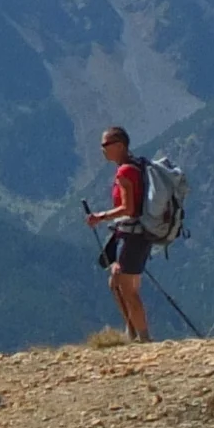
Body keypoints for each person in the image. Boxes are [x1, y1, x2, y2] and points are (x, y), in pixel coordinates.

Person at [82, 125, 153, 341]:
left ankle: (144, 338)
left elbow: (128, 208)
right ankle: (132, 332)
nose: (102, 149)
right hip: (136, 234)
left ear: (120, 145)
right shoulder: (135, 165)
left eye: (106, 144)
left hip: (133, 235)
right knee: (116, 283)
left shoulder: (124, 172)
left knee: (127, 288)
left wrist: (100, 216)